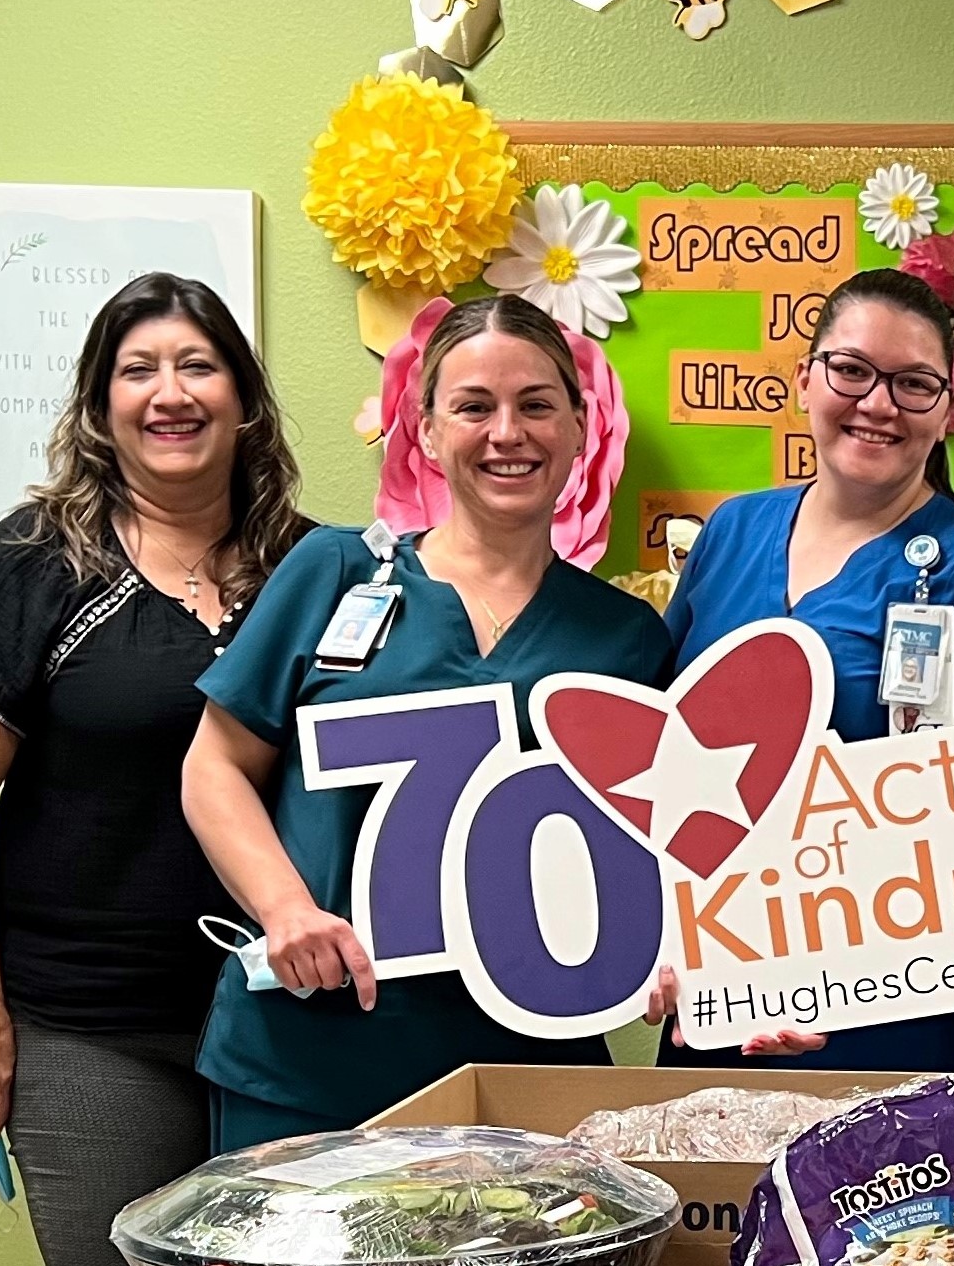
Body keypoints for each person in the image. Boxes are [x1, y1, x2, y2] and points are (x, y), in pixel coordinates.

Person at [0, 272, 313, 1266]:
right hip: (94, 1032)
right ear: (99, 409)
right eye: (137, 371)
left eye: (197, 365)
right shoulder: (37, 563)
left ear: (245, 401)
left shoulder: (310, 570)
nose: (169, 393)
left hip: (283, 1029)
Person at [182, 296, 672, 1148]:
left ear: (581, 424)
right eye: (474, 407)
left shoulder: (627, 637)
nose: (507, 432)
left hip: (526, 1078)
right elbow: (214, 766)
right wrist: (286, 909)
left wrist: (667, 954)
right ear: (429, 429)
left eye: (536, 404)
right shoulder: (333, 572)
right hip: (308, 1062)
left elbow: (659, 841)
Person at [659, 267, 954, 1068]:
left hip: (893, 1018)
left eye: (913, 384)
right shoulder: (731, 531)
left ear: (947, 409)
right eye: (852, 370)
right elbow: (659, 766)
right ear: (806, 378)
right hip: (721, 992)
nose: (877, 404)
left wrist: (827, 982)